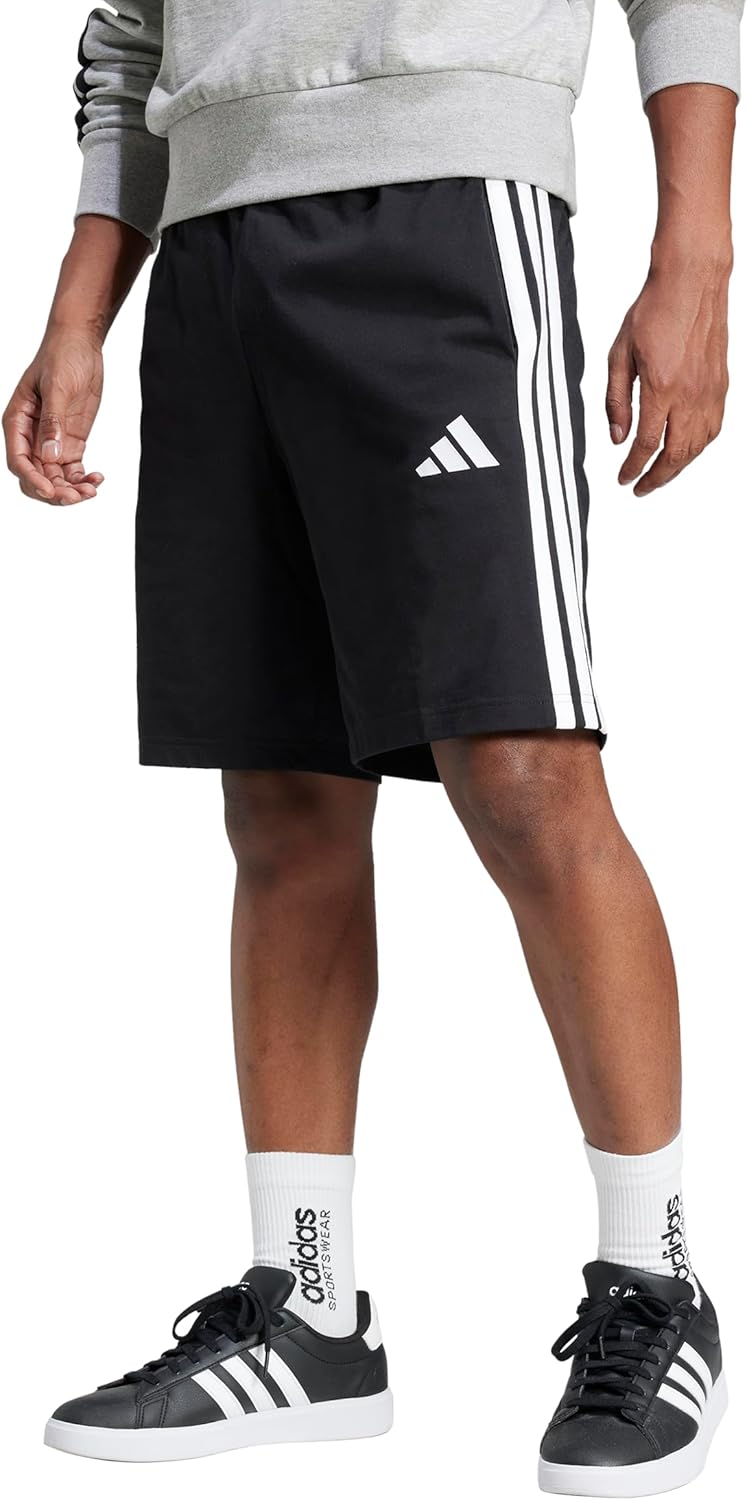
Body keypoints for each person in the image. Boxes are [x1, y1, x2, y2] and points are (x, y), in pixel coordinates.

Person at [3, 1, 742, 1490]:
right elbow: (131, 39)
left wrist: (696, 250)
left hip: (448, 216)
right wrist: (81, 312)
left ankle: (656, 1281)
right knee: (281, 796)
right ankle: (311, 1311)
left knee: (522, 767)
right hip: (211, 254)